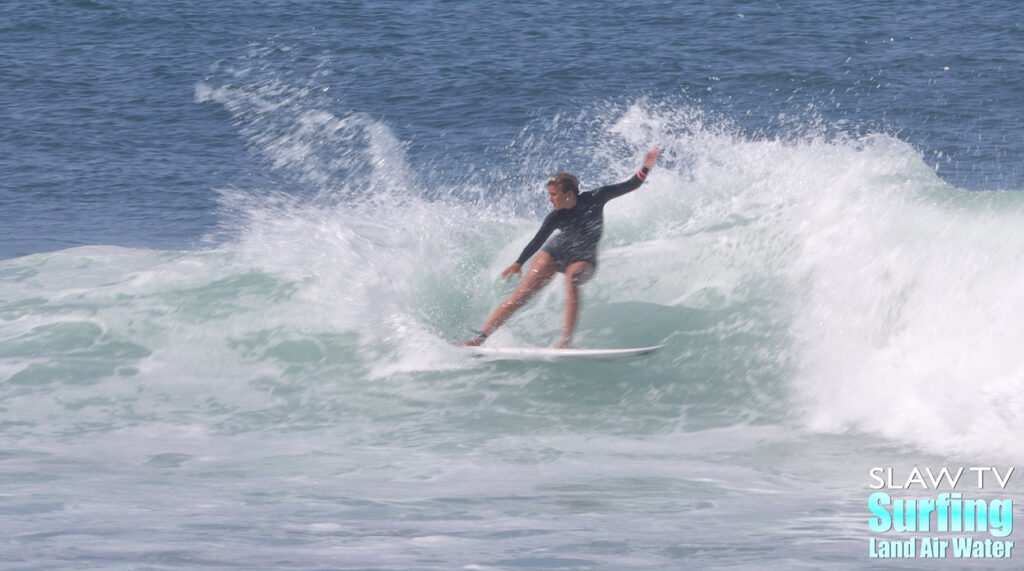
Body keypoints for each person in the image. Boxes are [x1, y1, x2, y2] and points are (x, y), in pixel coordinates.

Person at [463, 145, 660, 348]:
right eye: (550, 194)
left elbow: (631, 184)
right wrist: (519, 262)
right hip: (556, 251)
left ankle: (565, 343)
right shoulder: (555, 217)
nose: (550, 199)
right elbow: (538, 240)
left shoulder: (596, 198)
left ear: (568, 193)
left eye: (554, 194)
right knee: (521, 295)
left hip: (584, 257)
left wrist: (645, 167)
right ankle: (480, 339)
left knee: (572, 278)